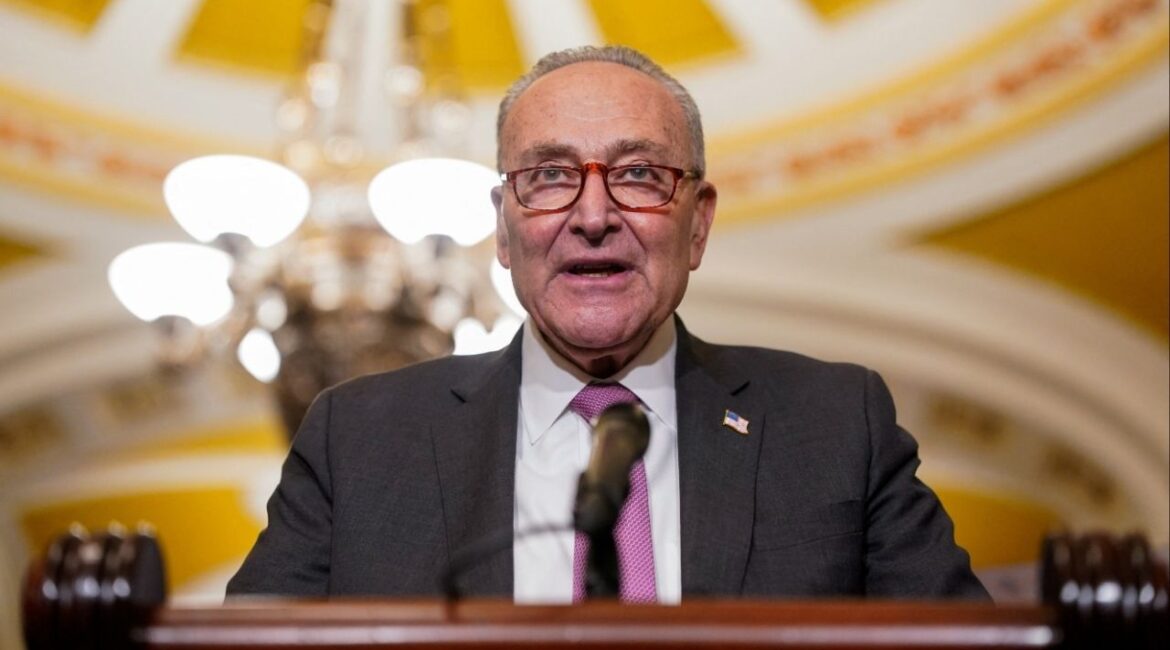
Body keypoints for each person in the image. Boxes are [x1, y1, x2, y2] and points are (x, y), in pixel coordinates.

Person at [227, 45, 989, 602]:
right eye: (549, 175)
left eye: (638, 174)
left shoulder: (835, 425)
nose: (593, 216)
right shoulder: (358, 438)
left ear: (698, 224)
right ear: (502, 227)